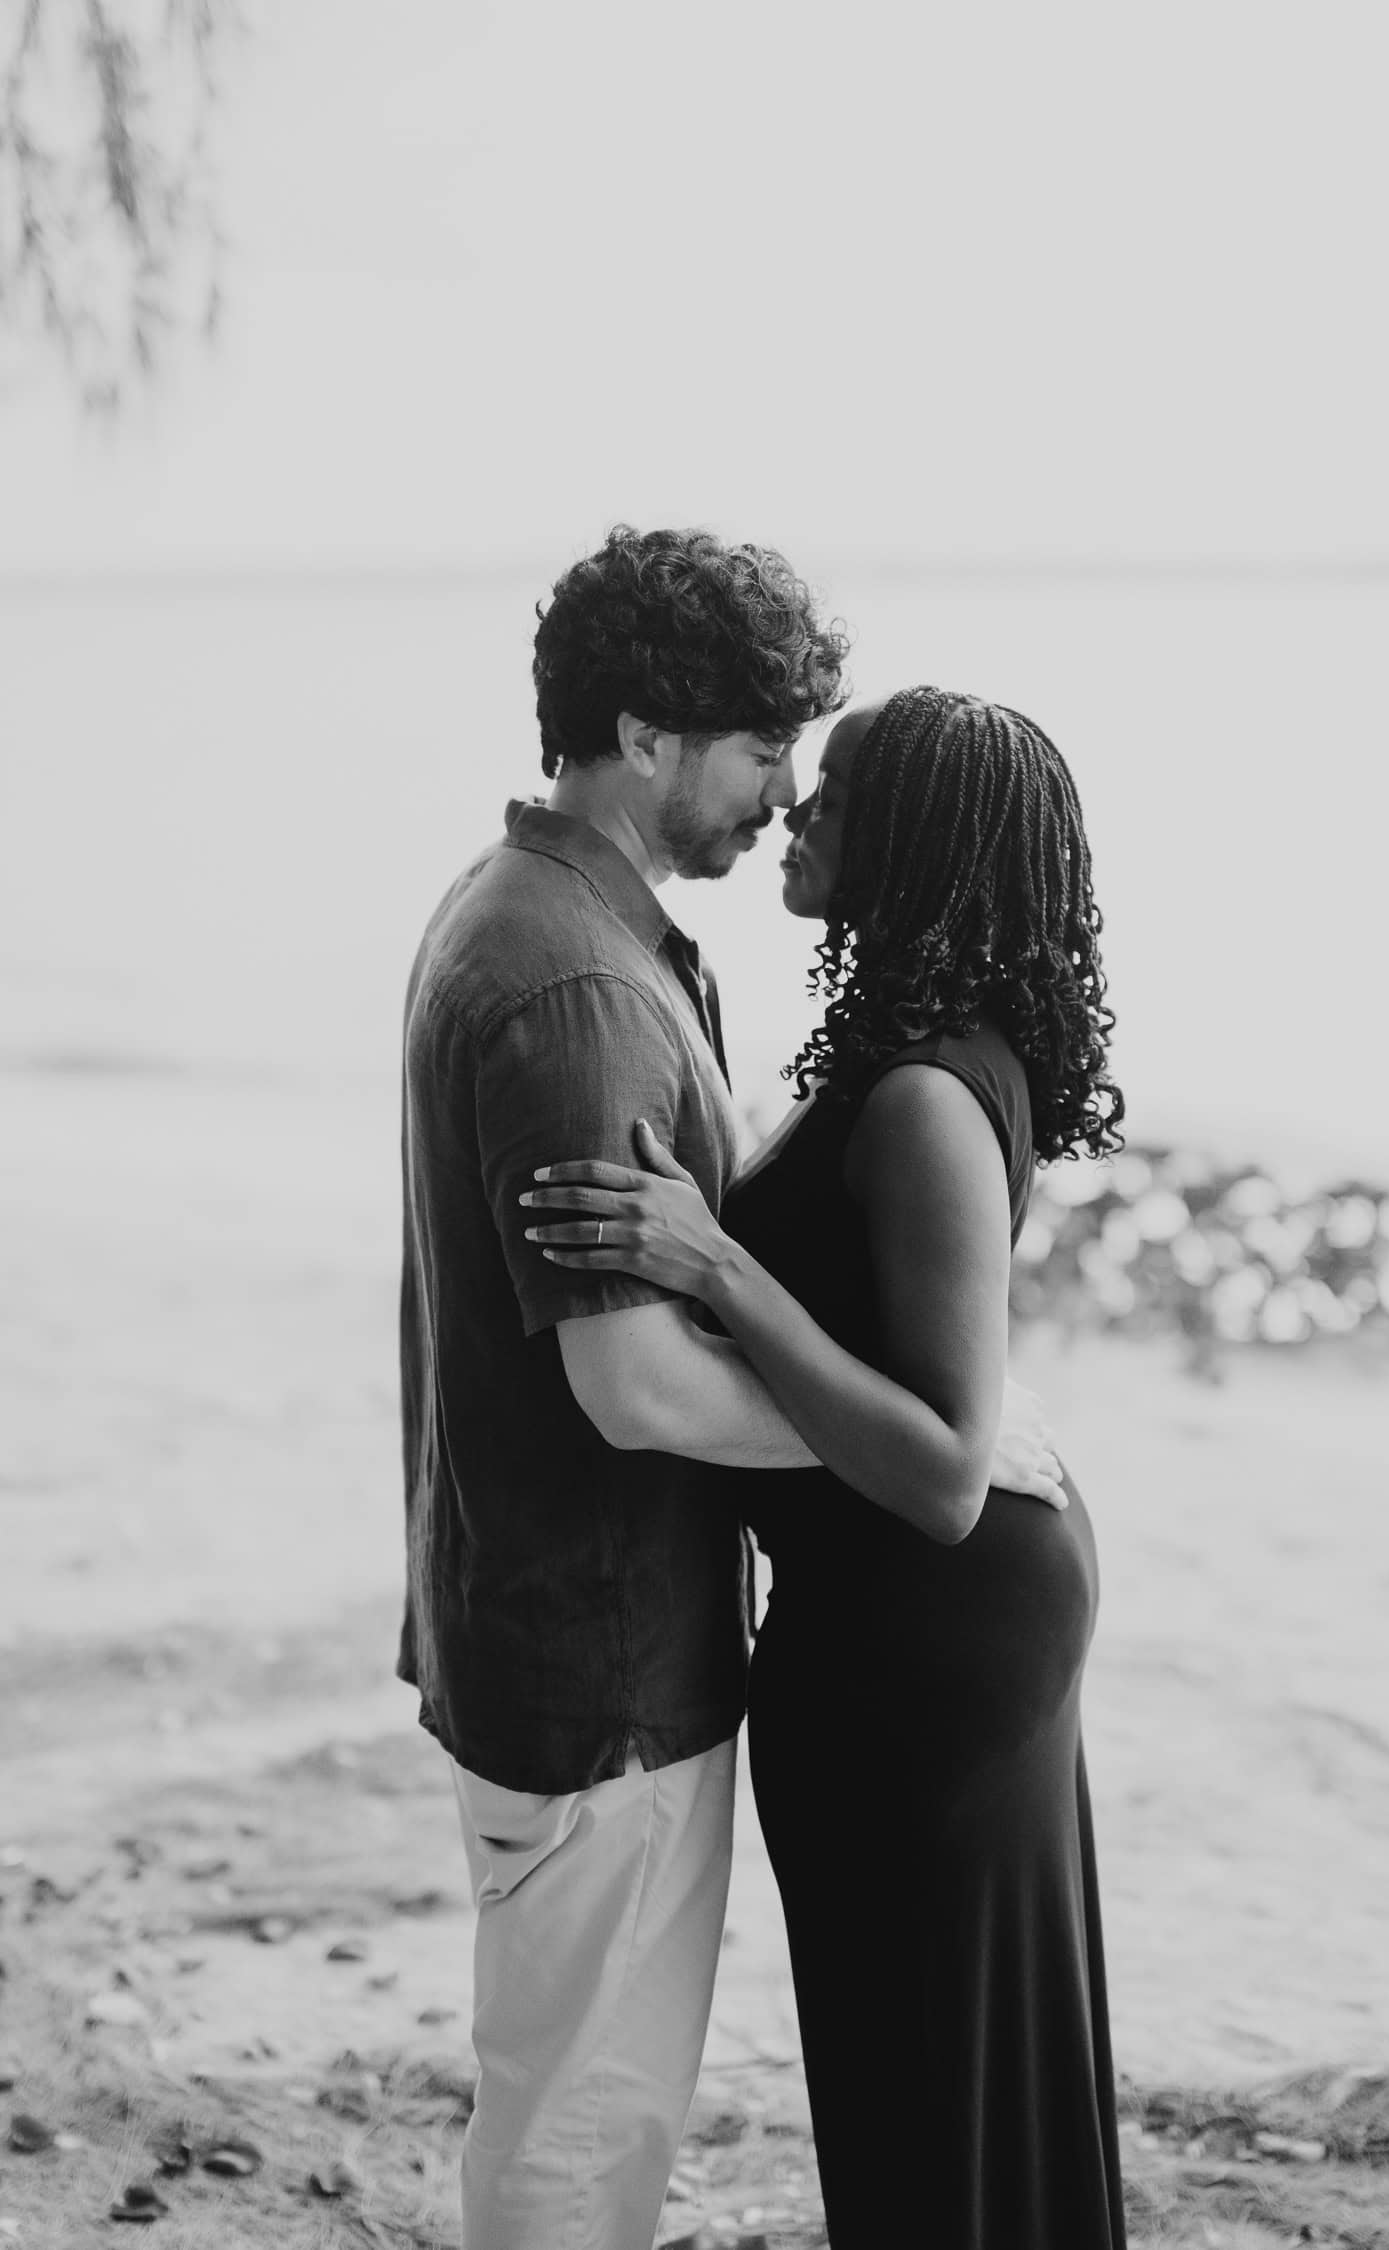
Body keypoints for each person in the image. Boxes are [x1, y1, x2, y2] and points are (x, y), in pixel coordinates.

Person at [397, 541, 1063, 2250]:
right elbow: (634, 1390)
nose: (783, 791)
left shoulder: (553, 920)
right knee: (580, 2133)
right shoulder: (582, 983)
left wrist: (945, 1445)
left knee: (593, 2111)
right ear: (642, 732)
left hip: (604, 1634)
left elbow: (895, 1419)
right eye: (766, 749)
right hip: (602, 1662)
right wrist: (931, 1455)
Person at [525, 686, 1130, 2248]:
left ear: (917, 847)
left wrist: (719, 1269)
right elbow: (937, 1369)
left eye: (840, 797)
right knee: (942, 2077)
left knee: (930, 2082)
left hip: (926, 1639)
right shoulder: (915, 1056)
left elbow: (937, 1467)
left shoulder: (927, 1096)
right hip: (927, 1626)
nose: (799, 807)